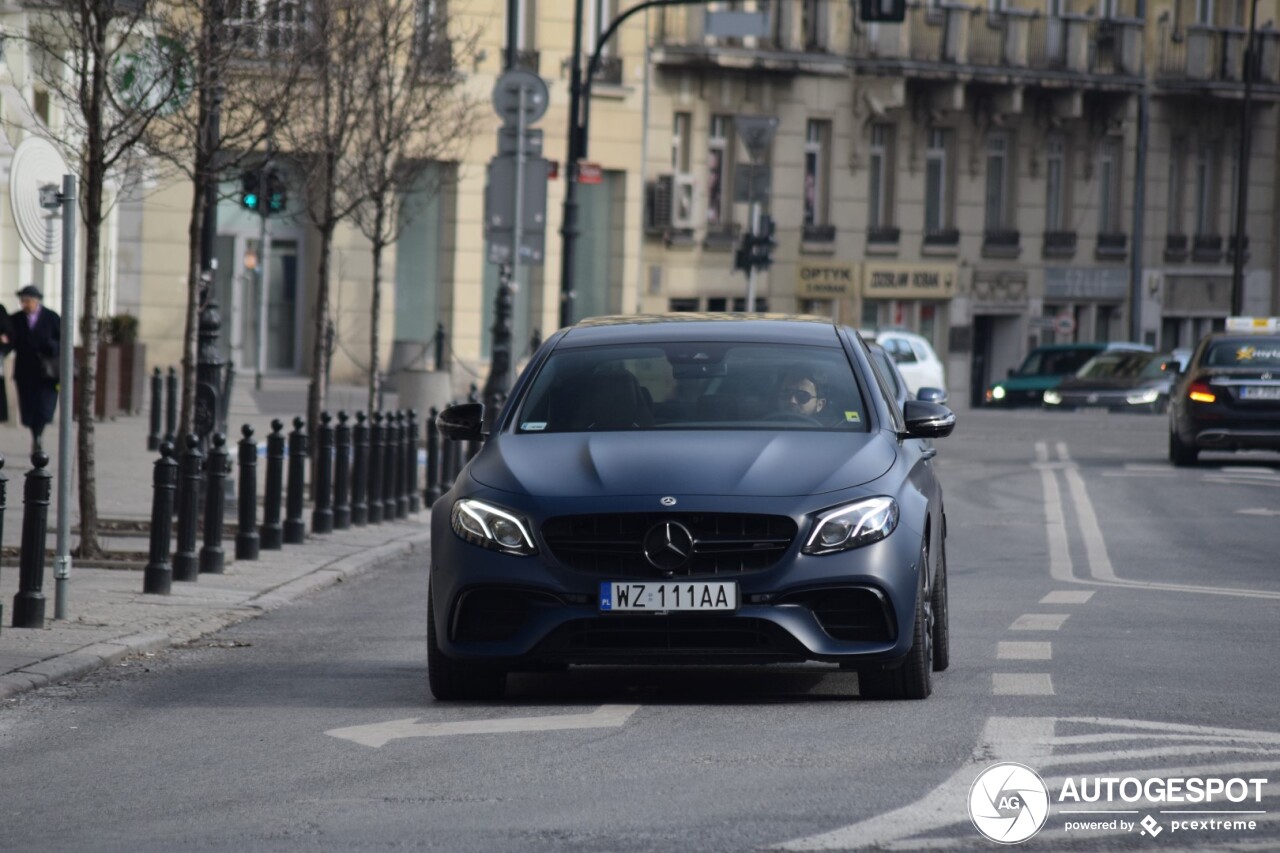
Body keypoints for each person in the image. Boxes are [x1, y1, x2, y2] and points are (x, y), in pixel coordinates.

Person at [10, 285, 60, 453]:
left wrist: (52, 346)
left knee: (44, 406)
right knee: (29, 406)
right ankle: (35, 435)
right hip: (25, 371)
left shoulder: (51, 318)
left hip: (47, 372)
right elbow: (10, 339)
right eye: (23, 301)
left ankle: (38, 435)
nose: (25, 304)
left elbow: (62, 341)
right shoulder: (16, 319)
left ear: (36, 301)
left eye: (28, 301)